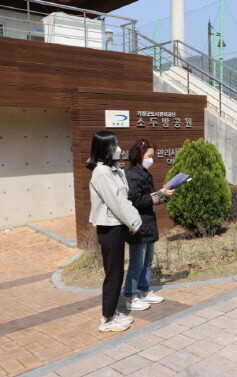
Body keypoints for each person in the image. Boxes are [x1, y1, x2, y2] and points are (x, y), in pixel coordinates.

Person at [87, 131, 142, 332]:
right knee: (113, 275)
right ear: (106, 148)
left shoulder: (110, 170)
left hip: (116, 226)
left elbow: (122, 197)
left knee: (116, 272)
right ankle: (107, 320)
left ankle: (111, 313)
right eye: (115, 145)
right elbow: (117, 202)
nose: (119, 148)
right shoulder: (101, 173)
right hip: (110, 228)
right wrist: (134, 222)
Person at [124, 139, 175, 311]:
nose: (152, 160)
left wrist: (163, 195)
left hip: (149, 222)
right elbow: (134, 201)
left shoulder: (145, 173)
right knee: (136, 263)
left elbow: (149, 199)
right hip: (137, 224)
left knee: (147, 261)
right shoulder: (130, 175)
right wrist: (159, 194)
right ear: (139, 155)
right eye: (149, 156)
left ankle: (144, 291)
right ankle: (130, 297)